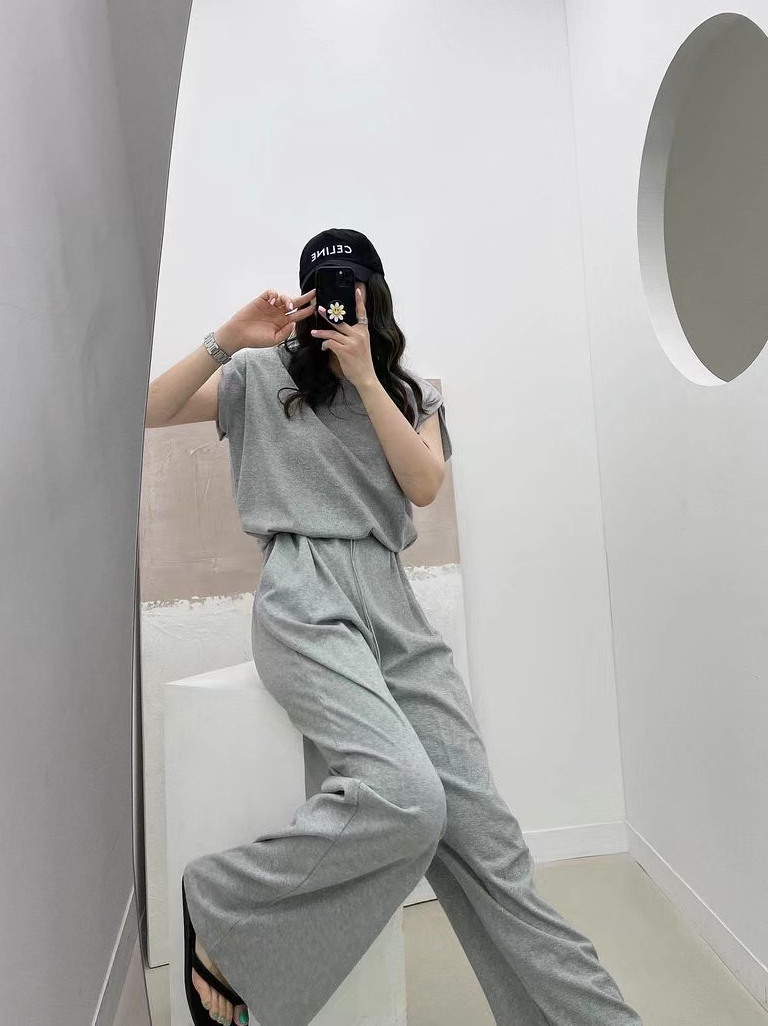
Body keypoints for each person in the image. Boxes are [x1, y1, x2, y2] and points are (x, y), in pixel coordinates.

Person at [145, 229, 642, 1026]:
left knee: (491, 845)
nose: (338, 306)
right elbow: (144, 411)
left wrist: (367, 376)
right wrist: (228, 337)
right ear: (305, 302)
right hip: (304, 591)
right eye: (323, 292)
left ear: (372, 297)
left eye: (351, 289)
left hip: (391, 603)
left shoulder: (408, 393)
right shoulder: (258, 376)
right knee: (407, 797)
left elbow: (423, 484)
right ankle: (223, 903)